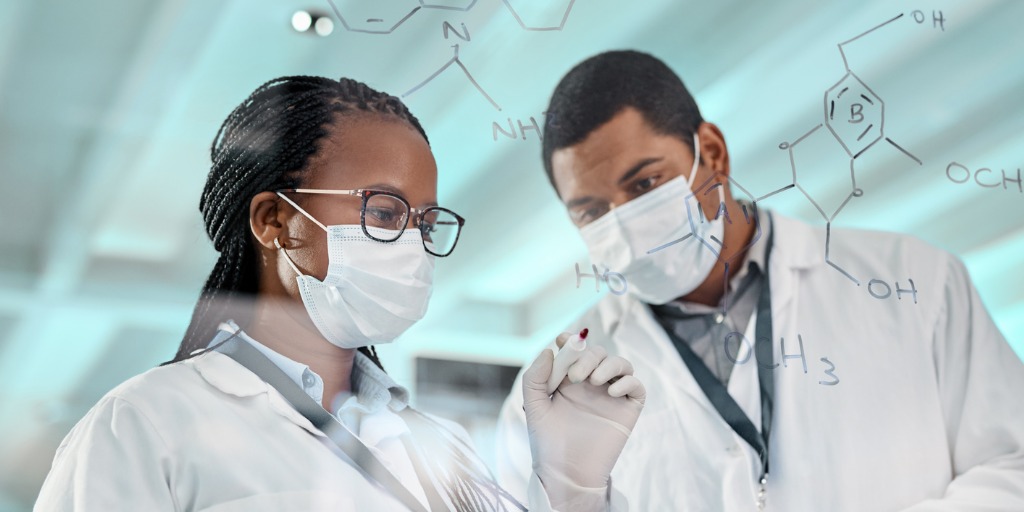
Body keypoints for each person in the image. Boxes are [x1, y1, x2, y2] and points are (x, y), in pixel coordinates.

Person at [34, 76, 647, 511]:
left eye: (424, 223)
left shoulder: (443, 450)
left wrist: (572, 484)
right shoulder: (148, 423)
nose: (410, 243)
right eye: (384, 211)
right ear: (275, 221)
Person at [496, 50, 1024, 511]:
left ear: (714, 156)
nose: (624, 224)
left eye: (646, 183)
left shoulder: (917, 281)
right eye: (591, 212)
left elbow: (1014, 467)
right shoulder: (556, 390)